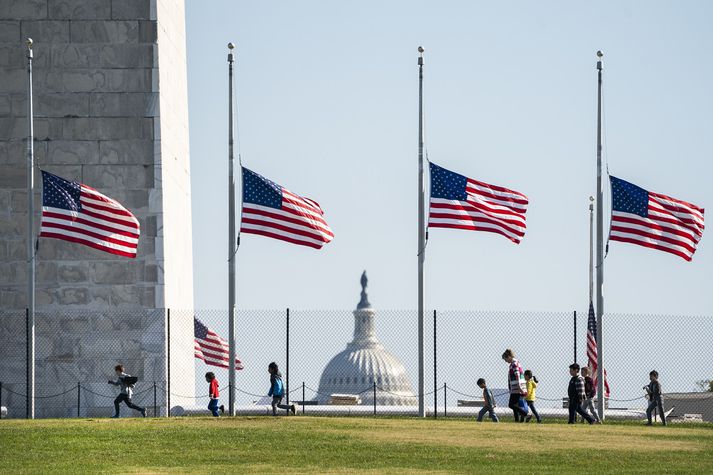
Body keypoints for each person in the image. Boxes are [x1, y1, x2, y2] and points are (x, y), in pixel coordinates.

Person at [501, 349, 528, 422]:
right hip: (515, 387)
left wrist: (519, 386)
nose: (506, 361)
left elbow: (517, 375)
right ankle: (517, 420)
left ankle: (526, 414)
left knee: (511, 405)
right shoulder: (516, 362)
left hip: (517, 387)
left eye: (505, 359)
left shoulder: (514, 363)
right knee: (515, 405)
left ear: (509, 356)